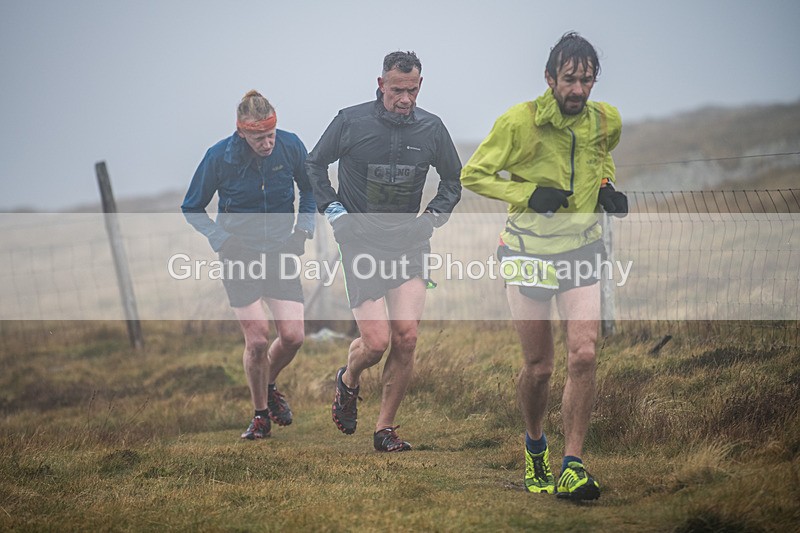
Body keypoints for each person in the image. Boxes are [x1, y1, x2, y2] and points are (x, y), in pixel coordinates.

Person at [461, 32, 628, 500]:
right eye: (570, 79)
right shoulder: (521, 122)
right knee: (539, 366)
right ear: (550, 78)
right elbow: (473, 174)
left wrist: (606, 186)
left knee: (585, 353)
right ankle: (536, 445)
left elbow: (601, 155)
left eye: (587, 80)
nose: (578, 90)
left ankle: (572, 464)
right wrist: (528, 194)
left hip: (581, 248)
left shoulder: (604, 120)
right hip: (528, 251)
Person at [306, 51, 462, 452]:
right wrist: (334, 210)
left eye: (411, 90)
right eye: (397, 90)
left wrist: (432, 217)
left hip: (410, 242)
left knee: (406, 337)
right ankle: (348, 380)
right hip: (360, 241)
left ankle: (385, 429)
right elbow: (313, 165)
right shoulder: (350, 121)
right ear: (381, 85)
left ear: (420, 86)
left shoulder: (432, 128)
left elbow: (453, 181)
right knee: (375, 343)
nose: (405, 99)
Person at [182, 90, 316, 440]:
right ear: (242, 131)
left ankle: (268, 385)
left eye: (271, 134)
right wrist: (221, 240)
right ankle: (260, 416)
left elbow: (310, 188)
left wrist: (303, 230)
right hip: (239, 256)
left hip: (281, 252)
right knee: (257, 340)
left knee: (293, 336)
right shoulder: (218, 158)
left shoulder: (291, 146)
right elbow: (191, 207)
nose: (267, 143)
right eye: (259, 138)